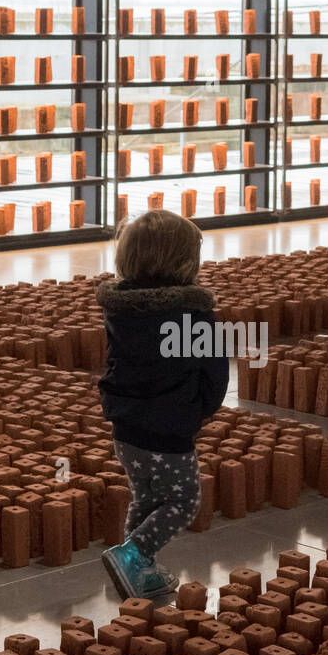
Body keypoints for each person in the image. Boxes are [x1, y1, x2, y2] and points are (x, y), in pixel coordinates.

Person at [96, 209, 229, 599]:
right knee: (183, 501)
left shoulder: (119, 309)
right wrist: (202, 409)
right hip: (169, 429)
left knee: (147, 498)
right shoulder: (194, 315)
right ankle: (134, 554)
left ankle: (136, 567)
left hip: (126, 429)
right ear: (186, 262)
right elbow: (215, 372)